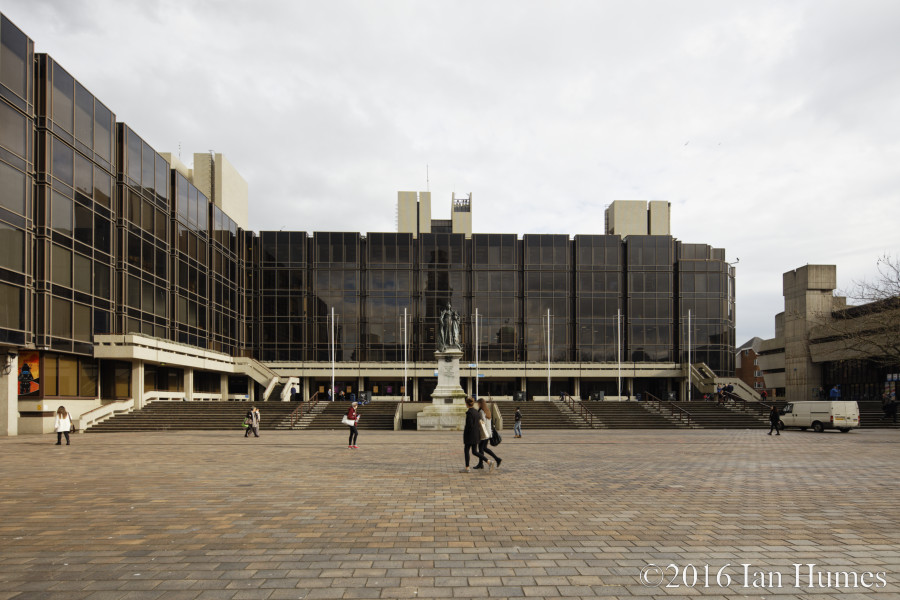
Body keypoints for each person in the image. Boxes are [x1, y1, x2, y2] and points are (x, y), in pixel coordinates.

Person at [461, 397, 487, 473]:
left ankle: (467, 468)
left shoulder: (469, 413)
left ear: (466, 404)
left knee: (466, 450)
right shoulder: (476, 412)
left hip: (470, 435)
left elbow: (469, 425)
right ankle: (488, 461)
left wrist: (466, 434)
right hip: (476, 434)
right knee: (474, 451)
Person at [474, 398, 501, 470]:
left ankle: (495, 459)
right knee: (483, 448)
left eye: (478, 403)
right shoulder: (487, 410)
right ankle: (482, 463)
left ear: (480, 403)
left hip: (484, 432)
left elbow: (483, 422)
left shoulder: (481, 411)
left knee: (482, 448)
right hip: (488, 432)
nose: (477, 404)